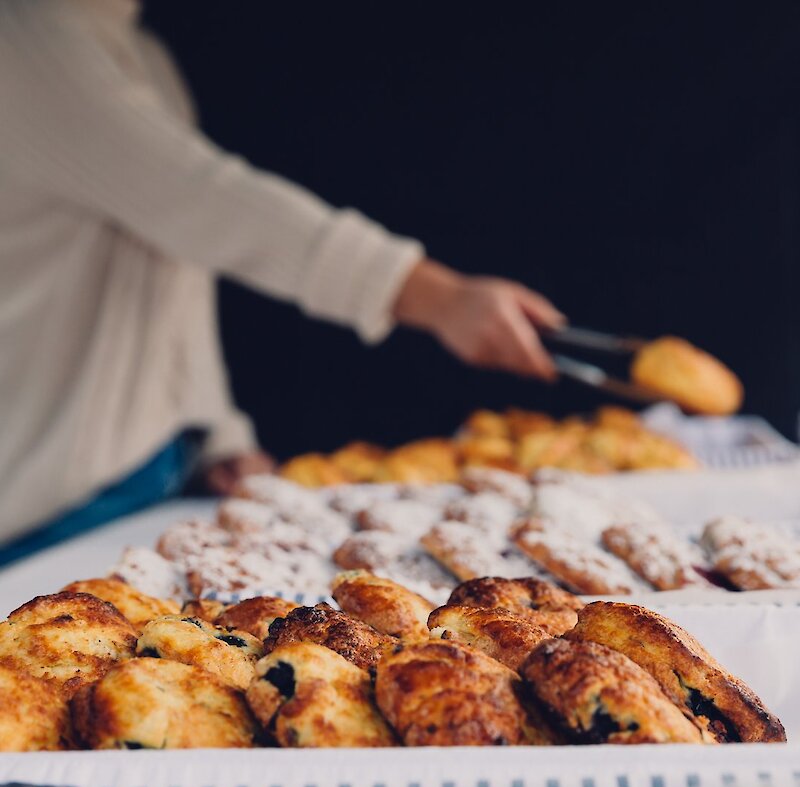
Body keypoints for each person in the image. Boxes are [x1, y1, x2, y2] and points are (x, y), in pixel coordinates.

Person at [0, 0, 566, 566]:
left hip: (159, 474)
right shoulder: (25, 42)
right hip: (50, 506)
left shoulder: (139, 50)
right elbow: (209, 204)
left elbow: (177, 260)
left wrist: (216, 428)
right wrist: (438, 297)